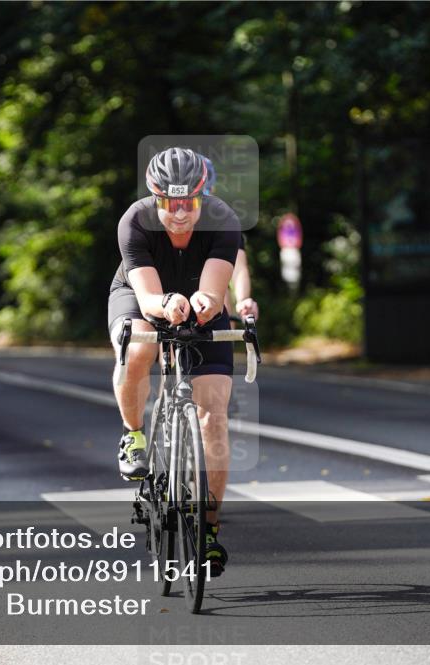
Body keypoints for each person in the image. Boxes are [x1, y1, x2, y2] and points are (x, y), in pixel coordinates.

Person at [109, 147, 239, 575]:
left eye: (189, 203)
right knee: (142, 342)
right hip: (142, 294)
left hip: (197, 293)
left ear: (202, 197)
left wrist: (205, 301)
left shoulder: (224, 221)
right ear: (155, 197)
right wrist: (167, 303)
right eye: (169, 202)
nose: (180, 213)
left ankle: (208, 530)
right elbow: (147, 298)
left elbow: (214, 291)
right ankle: (134, 435)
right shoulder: (135, 221)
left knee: (213, 417)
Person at [200, 156, 259, 326]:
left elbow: (238, 269)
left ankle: (223, 343)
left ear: (212, 190)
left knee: (220, 296)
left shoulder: (224, 222)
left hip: (213, 292)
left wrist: (243, 300)